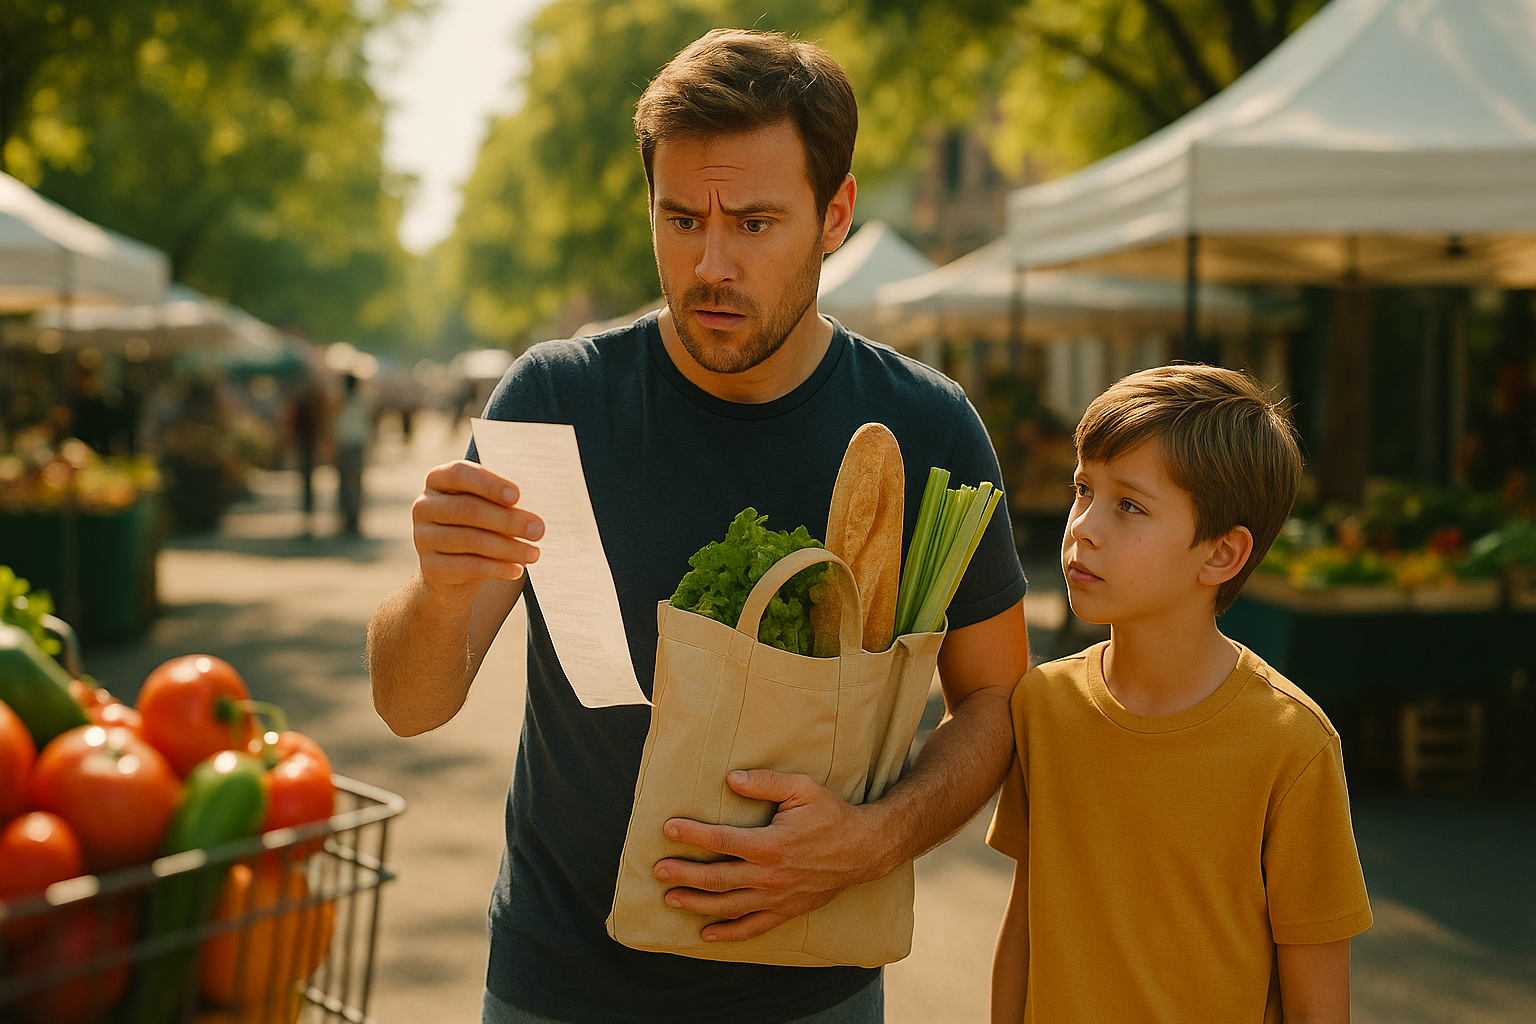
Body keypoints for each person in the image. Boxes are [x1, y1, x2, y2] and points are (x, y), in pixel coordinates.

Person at [367, 28, 1031, 1024]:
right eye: (680, 218)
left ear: (835, 213)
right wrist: (440, 587)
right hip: (561, 985)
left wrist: (876, 836)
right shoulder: (555, 401)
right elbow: (410, 704)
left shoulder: (926, 428)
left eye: (755, 223)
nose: (709, 263)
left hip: (815, 990)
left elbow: (995, 700)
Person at [987, 365, 1373, 1024]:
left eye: (1129, 505)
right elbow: (1025, 926)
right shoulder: (1042, 705)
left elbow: (1316, 1004)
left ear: (1222, 554)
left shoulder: (1293, 745)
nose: (1084, 526)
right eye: (1083, 489)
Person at [332, 372, 370, 536]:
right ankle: (348, 519)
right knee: (351, 484)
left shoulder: (346, 401)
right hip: (350, 445)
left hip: (350, 445)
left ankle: (350, 519)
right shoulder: (357, 401)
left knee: (348, 484)